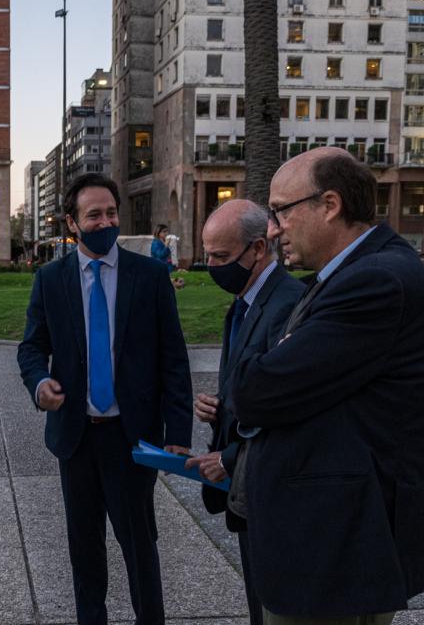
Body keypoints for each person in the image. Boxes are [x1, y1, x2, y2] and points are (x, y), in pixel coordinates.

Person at [227, 147, 424, 624]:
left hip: (337, 552)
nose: (272, 227)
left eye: (281, 210)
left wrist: (265, 362)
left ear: (330, 204)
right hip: (329, 543)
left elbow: (256, 391)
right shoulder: (350, 274)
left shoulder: (375, 282)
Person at [17, 173, 193, 625]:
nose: (105, 221)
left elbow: (173, 360)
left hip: (131, 439)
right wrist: (40, 384)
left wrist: (178, 434)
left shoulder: (150, 277)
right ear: (72, 223)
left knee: (139, 545)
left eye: (111, 213)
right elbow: (32, 348)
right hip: (75, 439)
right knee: (84, 547)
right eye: (93, 215)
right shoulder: (51, 279)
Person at [166, 199, 304, 625]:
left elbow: (290, 407)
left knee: (274, 607)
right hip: (246, 487)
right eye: (207, 255)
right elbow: (255, 388)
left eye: (221, 257)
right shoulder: (244, 300)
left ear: (258, 248)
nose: (210, 266)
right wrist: (221, 407)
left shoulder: (289, 305)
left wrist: (228, 460)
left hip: (268, 486)